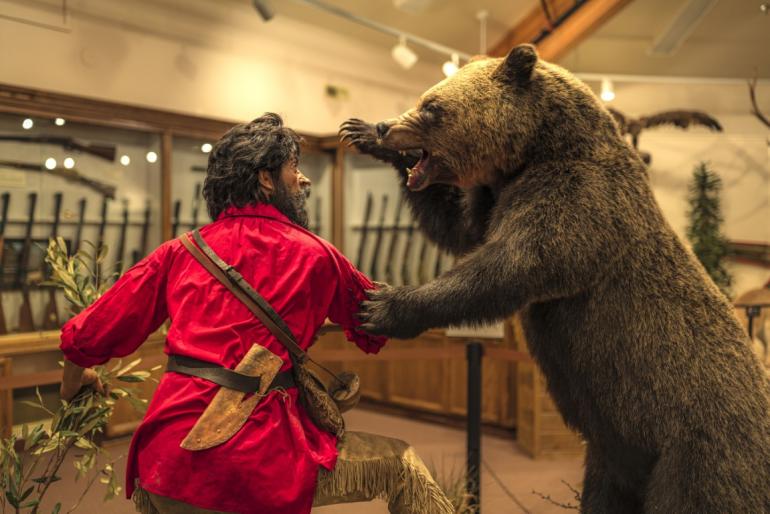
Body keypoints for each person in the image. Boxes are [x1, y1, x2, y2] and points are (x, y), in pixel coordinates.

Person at [59, 113, 452, 514]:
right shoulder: (316, 254)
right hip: (258, 461)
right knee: (402, 466)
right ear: (266, 179)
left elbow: (89, 334)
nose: (304, 180)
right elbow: (379, 321)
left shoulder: (181, 252)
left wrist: (75, 380)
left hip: (166, 459)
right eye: (294, 168)